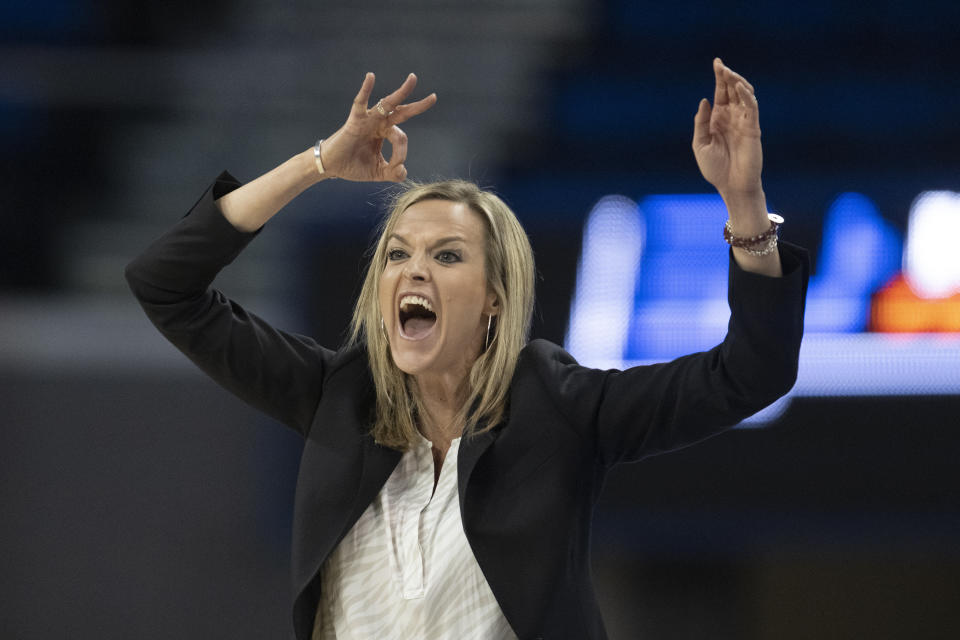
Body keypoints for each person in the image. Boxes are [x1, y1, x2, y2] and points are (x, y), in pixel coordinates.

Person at [125, 59, 808, 640]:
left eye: (447, 255)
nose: (414, 269)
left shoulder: (558, 407)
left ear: (494, 299)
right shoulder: (338, 396)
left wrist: (744, 206)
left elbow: (752, 372)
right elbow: (165, 286)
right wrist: (321, 163)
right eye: (398, 254)